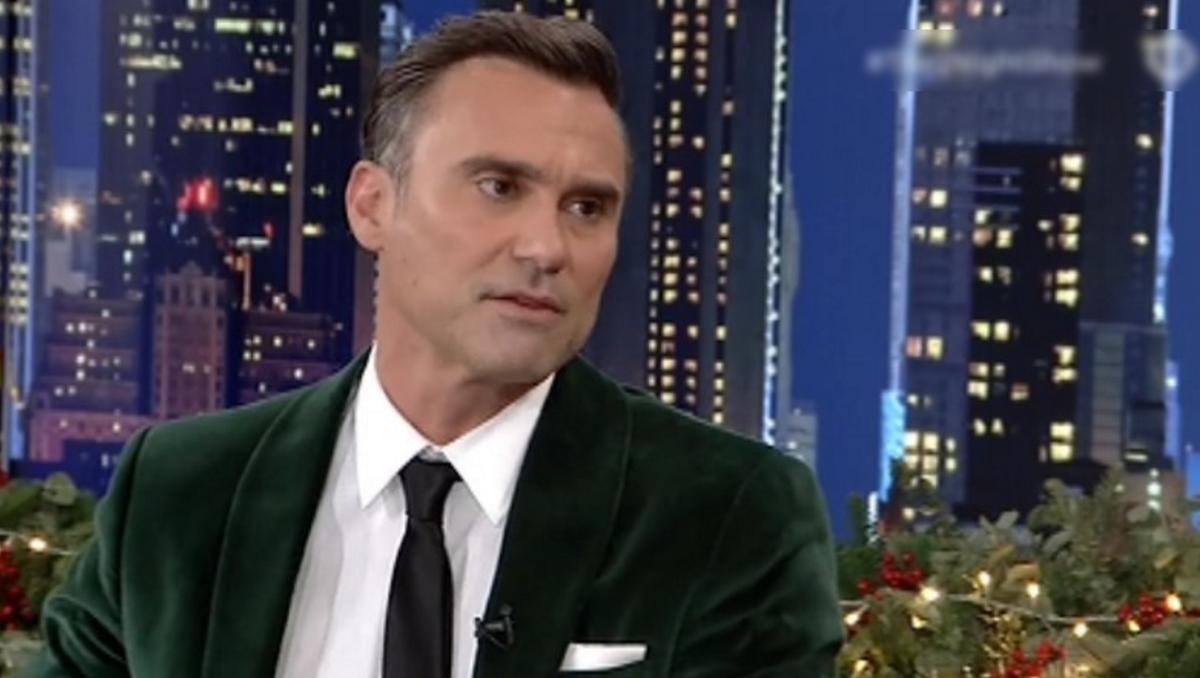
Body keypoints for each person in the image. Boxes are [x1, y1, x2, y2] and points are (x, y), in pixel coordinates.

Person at [27, 11, 842, 678]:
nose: (547, 246)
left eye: (587, 208)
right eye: (499, 187)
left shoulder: (727, 514)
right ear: (372, 206)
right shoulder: (180, 491)